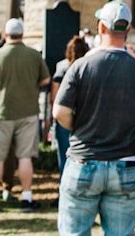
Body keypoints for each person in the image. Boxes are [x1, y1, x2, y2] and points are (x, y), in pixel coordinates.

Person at [52, 0, 135, 236]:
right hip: (126, 162)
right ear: (129, 30)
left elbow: (59, 112)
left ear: (101, 28)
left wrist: (79, 127)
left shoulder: (80, 66)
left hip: (83, 160)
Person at [0, 17, 51, 214]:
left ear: (5, 35)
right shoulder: (33, 55)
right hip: (27, 112)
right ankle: (27, 198)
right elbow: (46, 79)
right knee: (25, 157)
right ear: (23, 34)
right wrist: (30, 86)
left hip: (0, 113)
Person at [50, 35, 90, 176]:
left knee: (64, 154)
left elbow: (55, 95)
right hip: (85, 115)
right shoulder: (90, 66)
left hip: (65, 113)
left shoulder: (62, 67)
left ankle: (64, 187)